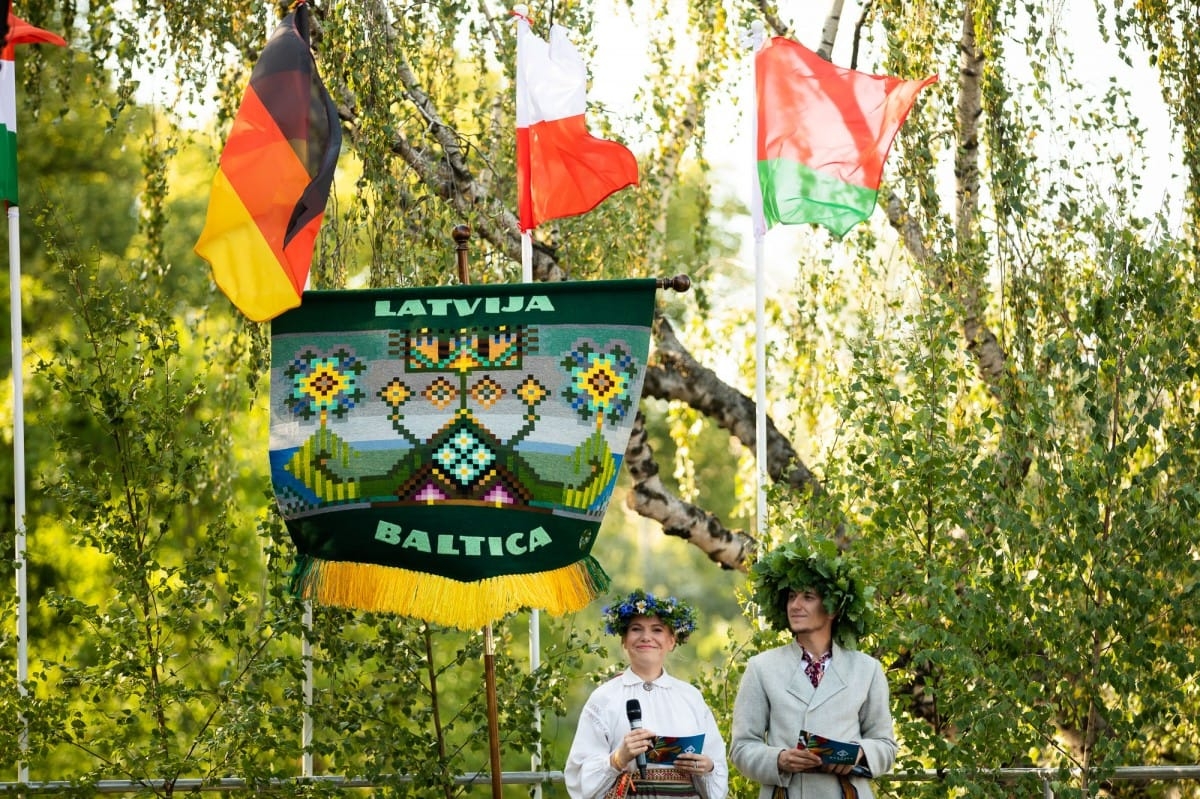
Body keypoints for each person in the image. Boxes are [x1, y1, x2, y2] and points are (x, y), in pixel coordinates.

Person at [729, 544, 897, 799]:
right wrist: (779, 759)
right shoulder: (761, 668)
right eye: (791, 597)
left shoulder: (867, 669)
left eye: (808, 597)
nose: (795, 605)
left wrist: (858, 753)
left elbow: (886, 746)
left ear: (832, 608)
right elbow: (741, 748)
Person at [565, 589, 729, 799]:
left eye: (657, 630)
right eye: (636, 629)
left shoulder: (690, 697)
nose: (646, 637)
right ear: (624, 640)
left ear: (671, 641)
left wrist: (707, 767)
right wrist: (617, 758)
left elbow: (717, 769)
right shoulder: (604, 698)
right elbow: (578, 778)